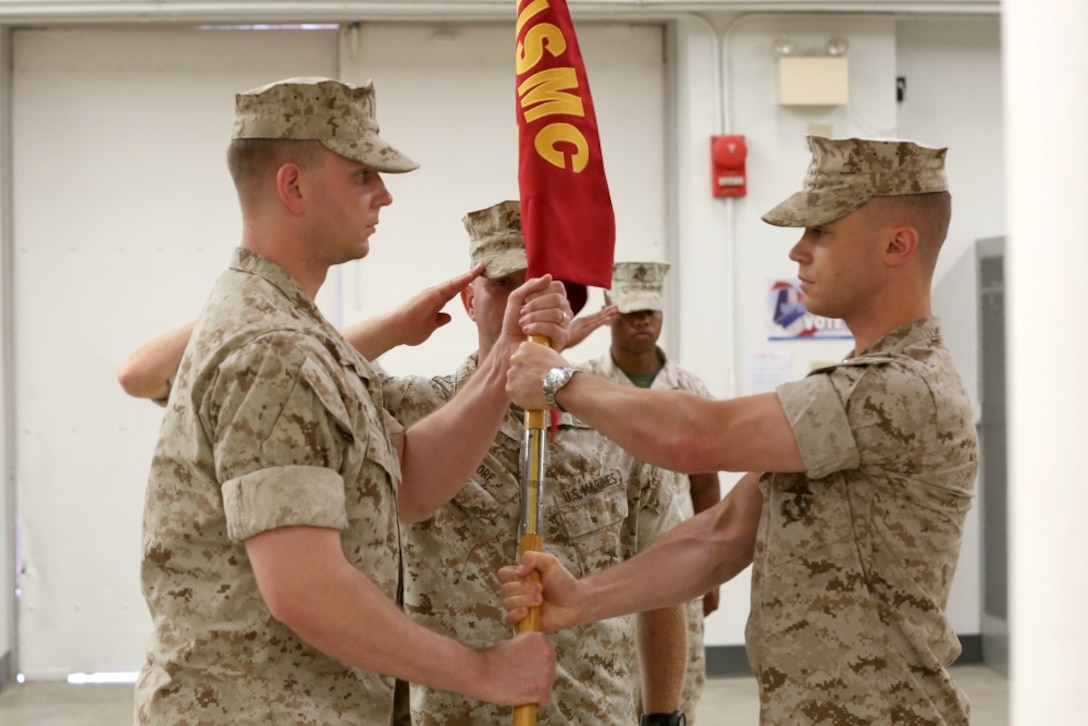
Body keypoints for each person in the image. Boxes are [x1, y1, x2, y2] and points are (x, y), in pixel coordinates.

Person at [122, 198, 688, 726]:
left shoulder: (623, 422)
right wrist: (389, 327)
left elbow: (662, 579)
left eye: (547, 289)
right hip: (444, 712)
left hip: (590, 713)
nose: (525, 304)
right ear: (470, 298)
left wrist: (664, 716)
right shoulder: (406, 407)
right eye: (505, 285)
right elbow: (151, 374)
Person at [499, 136, 979, 725]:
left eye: (820, 231)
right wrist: (584, 599)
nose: (798, 252)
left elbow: (701, 437)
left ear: (897, 244)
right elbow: (723, 535)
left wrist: (560, 382)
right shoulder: (854, 387)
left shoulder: (904, 387)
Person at [132, 76, 564, 725]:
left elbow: (410, 483)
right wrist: (482, 670)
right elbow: (305, 590)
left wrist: (503, 356)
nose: (384, 195)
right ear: (293, 187)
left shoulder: (304, 336)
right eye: (363, 174)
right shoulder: (272, 350)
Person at [579, 260, 721, 725]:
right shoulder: (582, 386)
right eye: (632, 311)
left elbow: (704, 481)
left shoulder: (687, 390)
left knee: (677, 691)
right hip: (603, 558)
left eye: (651, 312)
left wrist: (714, 567)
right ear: (608, 311)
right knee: (602, 684)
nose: (643, 322)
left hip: (676, 557)